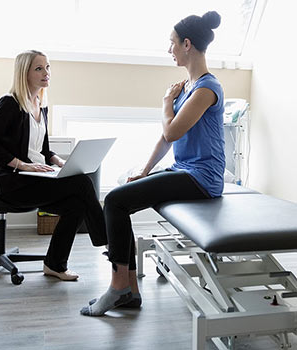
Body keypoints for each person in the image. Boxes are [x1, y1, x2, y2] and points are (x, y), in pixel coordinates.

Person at [81, 11, 224, 316]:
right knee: (123, 193)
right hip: (185, 171)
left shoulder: (206, 89)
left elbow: (172, 129)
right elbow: (166, 138)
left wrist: (165, 104)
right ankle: (129, 289)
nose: (169, 49)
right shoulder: (187, 87)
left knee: (115, 202)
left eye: (171, 43)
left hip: (203, 177)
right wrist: (144, 171)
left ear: (187, 44)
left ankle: (119, 287)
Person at [0, 50, 107, 281]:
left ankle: (54, 264)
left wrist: (61, 162)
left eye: (48, 67)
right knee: (81, 183)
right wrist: (22, 165)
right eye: (39, 68)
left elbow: (44, 150)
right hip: (14, 183)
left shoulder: (41, 105)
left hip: (37, 178)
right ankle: (109, 243)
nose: (46, 73)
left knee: (76, 205)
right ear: (24, 73)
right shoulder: (10, 103)